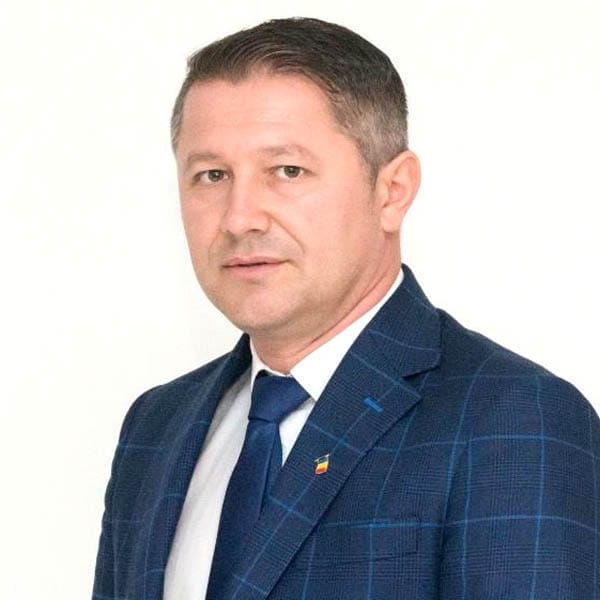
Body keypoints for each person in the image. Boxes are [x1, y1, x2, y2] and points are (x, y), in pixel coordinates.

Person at [92, 17, 599, 600]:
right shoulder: (156, 426)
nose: (239, 217)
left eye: (287, 171)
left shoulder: (512, 421)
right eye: (211, 175)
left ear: (392, 191)